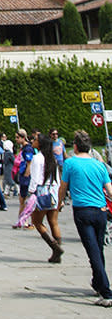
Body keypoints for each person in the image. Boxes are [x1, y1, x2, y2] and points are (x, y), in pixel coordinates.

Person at [57, 130, 112, 307]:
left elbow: (63, 187)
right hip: (101, 210)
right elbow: (110, 190)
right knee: (98, 247)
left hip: (83, 211)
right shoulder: (99, 165)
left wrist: (59, 203)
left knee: (92, 251)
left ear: (75, 146)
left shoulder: (70, 163)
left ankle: (106, 292)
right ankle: (97, 283)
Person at [27, 131, 63, 263]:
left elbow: (35, 179)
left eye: (35, 139)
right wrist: (60, 197)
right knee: (53, 222)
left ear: (40, 144)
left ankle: (54, 247)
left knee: (37, 222)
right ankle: (57, 250)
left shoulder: (37, 158)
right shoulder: (51, 158)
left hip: (42, 191)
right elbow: (58, 179)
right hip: (53, 190)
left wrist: (31, 194)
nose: (32, 141)